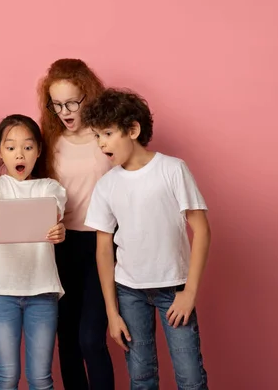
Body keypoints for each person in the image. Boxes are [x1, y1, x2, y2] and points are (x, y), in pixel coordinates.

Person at [83, 88, 211, 389]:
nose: (101, 143)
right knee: (141, 378)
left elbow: (202, 230)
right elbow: (103, 250)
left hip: (174, 289)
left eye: (108, 133)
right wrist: (112, 314)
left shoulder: (172, 169)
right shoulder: (106, 185)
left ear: (133, 130)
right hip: (129, 292)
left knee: (190, 378)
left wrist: (189, 293)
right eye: (97, 136)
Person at [37, 58, 114, 389]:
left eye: (71, 103)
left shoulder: (107, 138)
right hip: (61, 244)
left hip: (102, 243)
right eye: (56, 105)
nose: (64, 111)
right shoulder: (50, 141)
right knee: (65, 338)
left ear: (89, 96)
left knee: (90, 339)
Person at [0, 114, 67, 390]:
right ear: (0, 151)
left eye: (28, 147)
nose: (20, 154)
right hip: (2, 293)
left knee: (41, 378)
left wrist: (58, 230)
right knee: (6, 377)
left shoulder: (50, 187)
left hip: (42, 292)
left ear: (38, 151)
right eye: (11, 146)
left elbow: (54, 214)